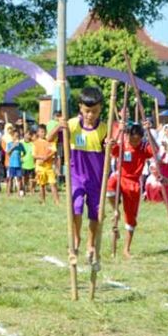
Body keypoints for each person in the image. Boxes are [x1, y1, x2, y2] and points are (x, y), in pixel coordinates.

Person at [50, 87, 108, 264]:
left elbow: (110, 151)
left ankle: (91, 244)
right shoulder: (73, 124)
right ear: (80, 108)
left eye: (95, 111)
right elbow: (50, 138)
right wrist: (59, 126)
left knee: (96, 214)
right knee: (75, 206)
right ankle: (76, 238)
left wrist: (110, 144)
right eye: (87, 111)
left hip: (96, 178)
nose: (90, 115)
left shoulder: (103, 128)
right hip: (76, 174)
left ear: (100, 109)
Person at [105, 124, 154, 259]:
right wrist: (116, 134)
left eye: (137, 140)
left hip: (133, 183)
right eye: (132, 140)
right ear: (128, 136)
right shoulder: (123, 144)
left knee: (131, 217)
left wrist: (149, 132)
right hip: (120, 176)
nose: (134, 143)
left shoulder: (144, 147)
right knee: (109, 188)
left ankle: (126, 249)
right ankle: (115, 209)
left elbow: (155, 152)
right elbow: (110, 149)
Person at [34, 124, 59, 205]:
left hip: (49, 167)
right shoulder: (36, 143)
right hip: (40, 167)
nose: (43, 133)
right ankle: (43, 201)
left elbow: (53, 151)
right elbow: (34, 155)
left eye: (44, 132)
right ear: (37, 133)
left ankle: (57, 201)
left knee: (53, 184)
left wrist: (47, 157)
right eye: (41, 132)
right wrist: (41, 158)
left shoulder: (49, 141)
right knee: (42, 185)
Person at [21, 129, 35, 194]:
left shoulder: (32, 144)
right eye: (27, 134)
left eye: (29, 134)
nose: (28, 136)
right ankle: (24, 188)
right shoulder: (21, 143)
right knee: (24, 177)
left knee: (31, 177)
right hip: (23, 164)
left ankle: (31, 189)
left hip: (31, 163)